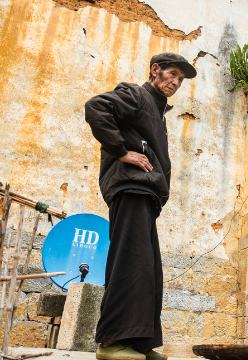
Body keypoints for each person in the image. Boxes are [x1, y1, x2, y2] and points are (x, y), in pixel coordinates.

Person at [85, 52, 194, 360]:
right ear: (155, 70)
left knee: (147, 270)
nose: (175, 82)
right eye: (171, 74)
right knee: (129, 263)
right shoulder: (135, 94)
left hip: (145, 195)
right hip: (130, 188)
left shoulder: (157, 111)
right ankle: (110, 344)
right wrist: (122, 152)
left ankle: (137, 343)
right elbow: (96, 107)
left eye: (180, 80)